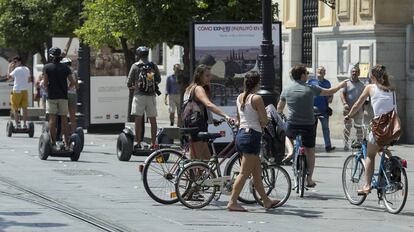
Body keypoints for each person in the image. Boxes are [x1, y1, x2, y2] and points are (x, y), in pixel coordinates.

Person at [276, 64, 348, 187]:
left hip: (293, 123)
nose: (308, 75)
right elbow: (330, 92)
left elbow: (279, 108)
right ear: (303, 75)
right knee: (310, 151)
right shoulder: (311, 88)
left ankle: (290, 151)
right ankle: (309, 179)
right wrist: (341, 85)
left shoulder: (286, 89)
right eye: (306, 73)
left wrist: (281, 115)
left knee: (287, 135)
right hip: (308, 124)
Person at [227, 71, 280, 212]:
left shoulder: (240, 97)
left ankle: (266, 200)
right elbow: (263, 120)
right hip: (252, 136)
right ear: (258, 83)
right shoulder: (256, 98)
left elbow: (239, 118)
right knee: (244, 173)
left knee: (256, 172)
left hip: (241, 135)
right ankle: (232, 202)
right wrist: (266, 121)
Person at [344, 64, 396, 195]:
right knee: (381, 148)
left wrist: (349, 115)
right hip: (395, 127)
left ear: (372, 77)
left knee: (369, 155)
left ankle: (367, 185)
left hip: (380, 127)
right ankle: (393, 165)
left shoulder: (370, 87)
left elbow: (358, 104)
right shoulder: (391, 89)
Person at [183, 64, 231, 160]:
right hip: (197, 127)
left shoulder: (190, 88)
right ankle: (188, 174)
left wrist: (212, 120)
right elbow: (208, 104)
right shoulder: (198, 88)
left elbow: (197, 108)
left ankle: (193, 173)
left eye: (210, 75)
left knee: (206, 162)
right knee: (197, 162)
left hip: (192, 125)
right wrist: (226, 115)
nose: (210, 78)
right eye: (207, 75)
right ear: (199, 76)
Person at [42, 47, 77, 150]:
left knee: (52, 119)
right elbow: (73, 82)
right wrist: (67, 88)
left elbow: (45, 83)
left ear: (51, 56)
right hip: (63, 96)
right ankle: (66, 144)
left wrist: (48, 89)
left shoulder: (47, 67)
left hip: (52, 96)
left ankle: (52, 143)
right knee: (64, 119)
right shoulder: (66, 68)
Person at [127, 46, 161, 149]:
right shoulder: (153, 65)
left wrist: (135, 87)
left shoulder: (135, 66)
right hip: (151, 96)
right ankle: (153, 143)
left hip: (139, 96)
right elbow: (158, 80)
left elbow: (129, 82)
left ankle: (137, 142)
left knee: (138, 119)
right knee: (153, 121)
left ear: (138, 55)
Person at [308, 66, 335, 152]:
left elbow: (331, 93)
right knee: (312, 129)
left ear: (324, 73)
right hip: (312, 110)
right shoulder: (311, 81)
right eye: (319, 71)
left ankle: (328, 146)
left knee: (326, 129)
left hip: (324, 110)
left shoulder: (327, 83)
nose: (320, 72)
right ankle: (312, 146)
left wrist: (331, 98)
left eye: (322, 71)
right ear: (316, 72)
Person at [340, 64, 365, 151]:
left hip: (358, 110)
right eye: (353, 72)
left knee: (359, 127)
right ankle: (346, 144)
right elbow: (342, 94)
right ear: (351, 73)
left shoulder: (362, 85)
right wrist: (344, 104)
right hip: (348, 110)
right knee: (347, 128)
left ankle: (360, 144)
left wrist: (363, 108)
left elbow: (365, 97)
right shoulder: (346, 83)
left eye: (356, 72)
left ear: (359, 73)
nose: (354, 73)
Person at [7, 56, 31, 128]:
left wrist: (9, 68)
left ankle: (17, 125)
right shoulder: (27, 69)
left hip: (17, 90)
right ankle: (24, 124)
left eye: (15, 62)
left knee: (15, 108)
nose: (14, 64)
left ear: (19, 62)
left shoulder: (16, 69)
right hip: (25, 90)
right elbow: (29, 80)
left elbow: (8, 77)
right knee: (24, 108)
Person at [61, 58, 79, 133]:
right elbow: (77, 84)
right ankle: (74, 131)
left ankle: (63, 132)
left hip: (65, 94)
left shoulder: (63, 71)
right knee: (72, 116)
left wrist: (67, 88)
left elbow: (72, 83)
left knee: (63, 115)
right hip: (73, 94)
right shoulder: (74, 72)